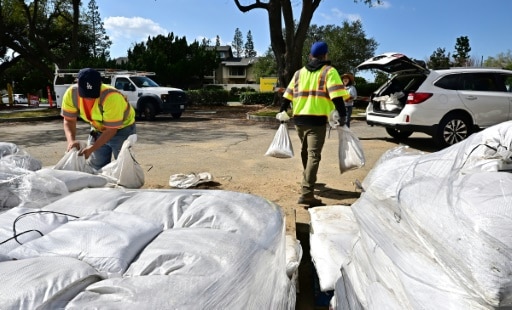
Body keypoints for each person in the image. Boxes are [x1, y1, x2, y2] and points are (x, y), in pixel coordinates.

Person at [280, 41, 350, 207]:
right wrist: (343, 116)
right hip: (316, 120)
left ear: (311, 56)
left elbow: (287, 96)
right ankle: (307, 193)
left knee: (305, 152)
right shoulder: (329, 71)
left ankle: (308, 181)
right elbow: (337, 97)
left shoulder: (299, 73)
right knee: (313, 155)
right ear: (325, 55)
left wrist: (282, 111)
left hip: (299, 119)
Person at [61, 68, 136, 170]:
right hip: (98, 129)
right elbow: (69, 120)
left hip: (122, 129)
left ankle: (127, 185)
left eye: (93, 95)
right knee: (96, 166)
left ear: (100, 84)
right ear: (77, 84)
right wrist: (71, 141)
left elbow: (111, 130)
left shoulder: (111, 97)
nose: (89, 98)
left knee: (124, 165)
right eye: (85, 94)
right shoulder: (71, 94)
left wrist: (91, 149)